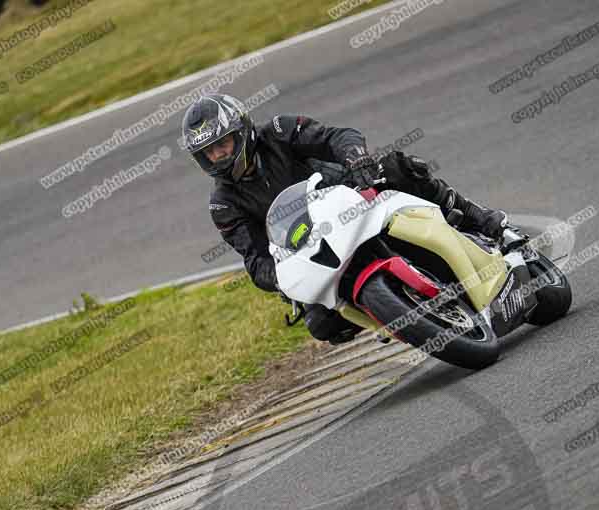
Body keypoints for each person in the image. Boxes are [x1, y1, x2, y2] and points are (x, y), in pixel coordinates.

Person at [181, 93, 517, 344]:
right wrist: (282, 280)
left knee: (400, 167)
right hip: (312, 250)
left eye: (222, 144)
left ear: (242, 131)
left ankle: (478, 217)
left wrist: (357, 159)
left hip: (350, 196)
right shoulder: (223, 204)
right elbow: (255, 259)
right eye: (209, 152)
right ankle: (385, 311)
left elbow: (336, 136)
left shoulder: (280, 131)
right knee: (322, 326)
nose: (218, 156)